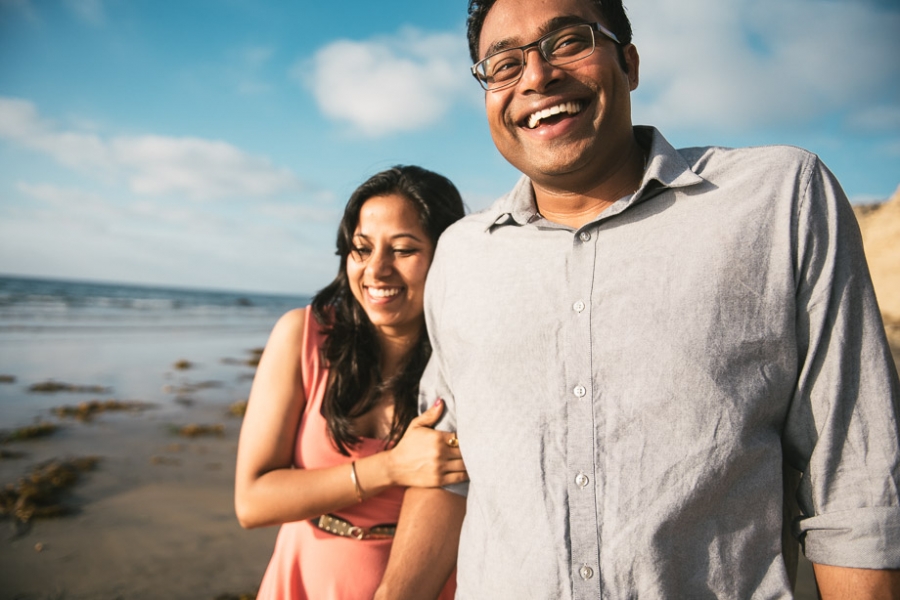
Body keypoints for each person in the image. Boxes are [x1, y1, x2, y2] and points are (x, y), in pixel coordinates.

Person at [374, 1, 900, 598]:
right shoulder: (461, 255)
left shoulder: (777, 202)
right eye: (503, 63)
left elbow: (856, 484)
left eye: (569, 41)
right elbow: (451, 471)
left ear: (629, 61)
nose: (537, 76)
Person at [235, 165, 467, 599]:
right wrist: (392, 467)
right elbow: (252, 502)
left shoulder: (465, 361)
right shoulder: (303, 335)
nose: (376, 271)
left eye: (402, 250)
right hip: (303, 576)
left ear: (443, 257)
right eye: (361, 249)